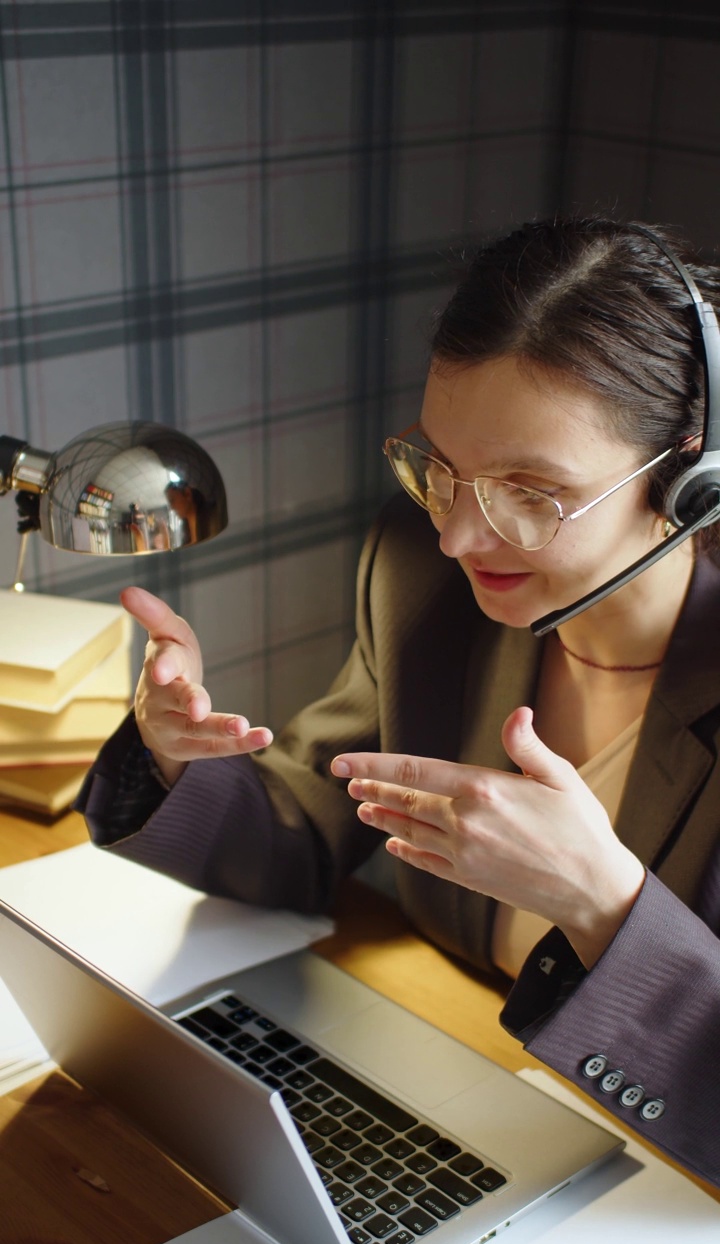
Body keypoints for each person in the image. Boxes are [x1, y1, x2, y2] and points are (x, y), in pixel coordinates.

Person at [78, 217, 720, 1190]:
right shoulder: (421, 572)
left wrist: (604, 904)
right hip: (459, 1087)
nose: (461, 534)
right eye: (441, 468)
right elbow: (305, 828)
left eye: (529, 489)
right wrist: (175, 757)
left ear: (690, 477)